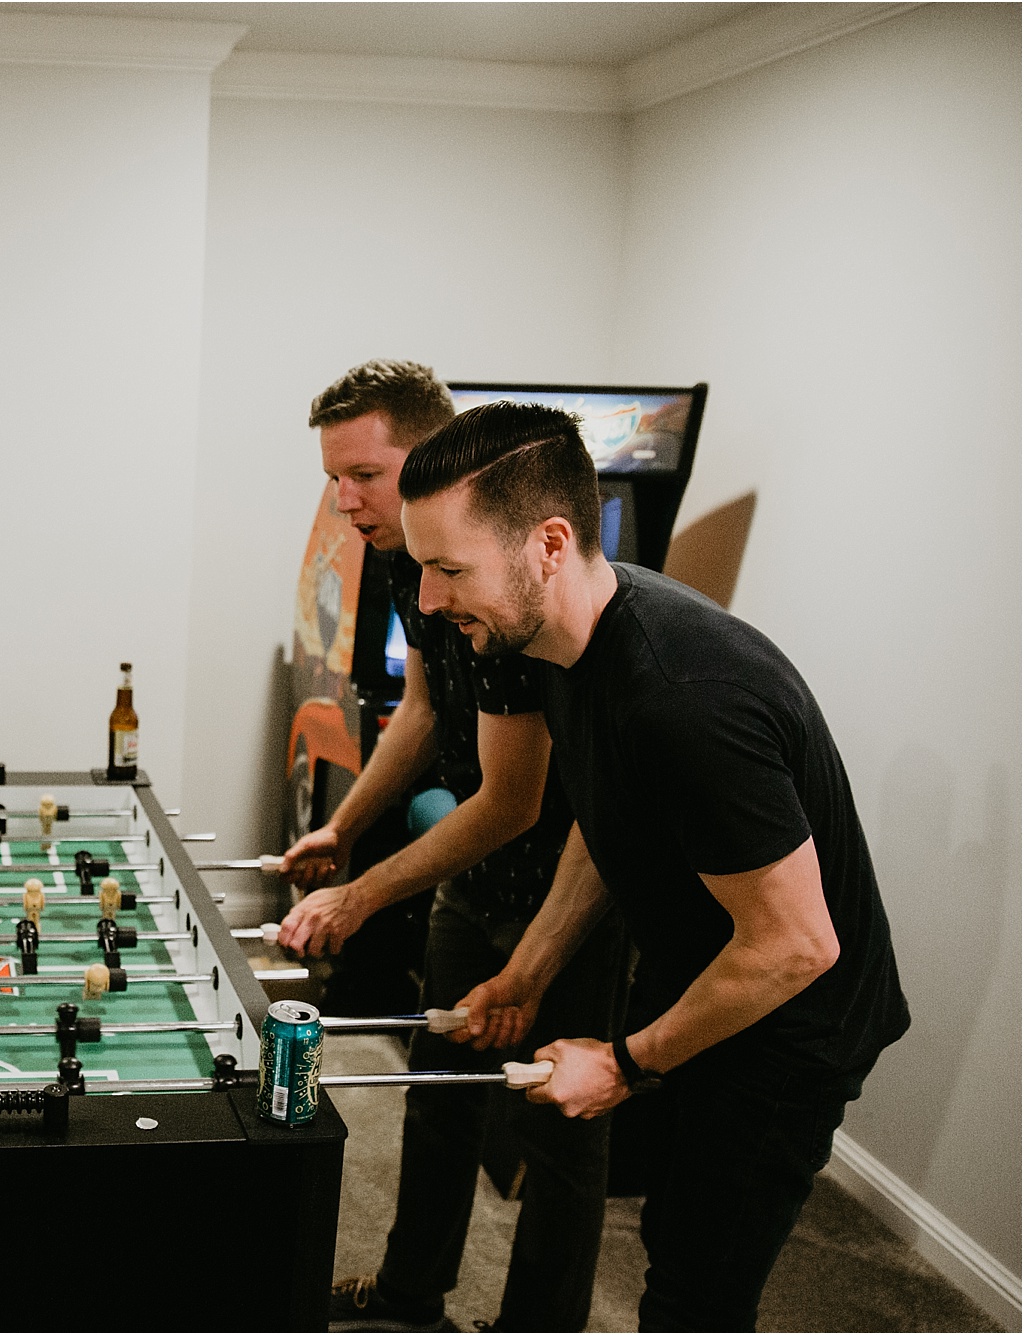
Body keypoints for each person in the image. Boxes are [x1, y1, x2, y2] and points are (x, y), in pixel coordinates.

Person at [396, 401, 910, 1331]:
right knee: (671, 1231)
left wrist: (625, 1062)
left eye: (450, 569)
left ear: (549, 544)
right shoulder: (563, 641)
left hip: (793, 1027)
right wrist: (531, 968)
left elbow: (797, 945)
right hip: (714, 974)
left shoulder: (683, 695)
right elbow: (611, 824)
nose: (429, 600)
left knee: (692, 1296)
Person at [277, 361, 626, 1333]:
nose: (344, 500)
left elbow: (514, 802)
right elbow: (425, 711)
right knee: (437, 1091)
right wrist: (342, 831)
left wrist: (361, 895)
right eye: (332, 477)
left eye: (364, 474)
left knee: (556, 1126)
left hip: (570, 883)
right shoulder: (404, 563)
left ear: (429, 460)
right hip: (474, 877)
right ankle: (408, 1297)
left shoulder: (497, 587)